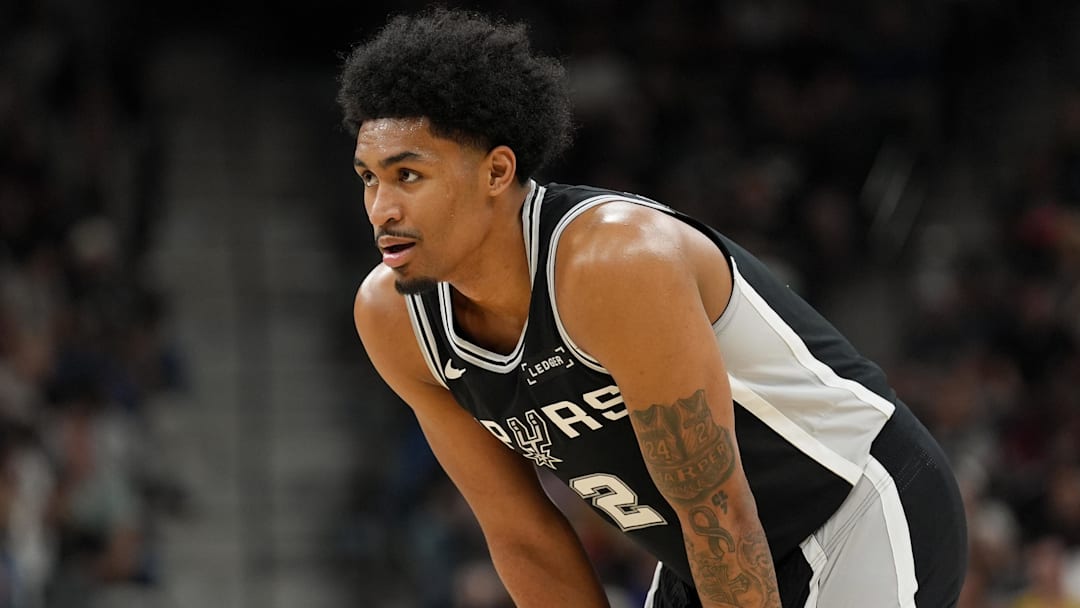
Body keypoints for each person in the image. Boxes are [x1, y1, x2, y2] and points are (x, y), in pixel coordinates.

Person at [338, 9, 967, 608]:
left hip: (848, 507)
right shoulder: (394, 319)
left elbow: (716, 508)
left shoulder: (614, 263)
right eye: (369, 177)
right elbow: (523, 537)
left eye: (408, 176)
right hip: (707, 552)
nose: (381, 209)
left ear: (497, 171)